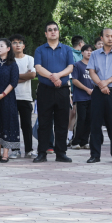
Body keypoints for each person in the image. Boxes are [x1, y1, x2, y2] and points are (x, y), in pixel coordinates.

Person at [33, 21, 75, 163]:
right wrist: (53, 77)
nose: (52, 32)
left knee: (62, 123)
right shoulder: (40, 50)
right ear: (46, 34)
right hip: (45, 91)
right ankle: (42, 152)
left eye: (55, 29)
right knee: (44, 123)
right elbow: (38, 68)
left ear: (58, 32)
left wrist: (58, 76)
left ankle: (61, 153)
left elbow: (70, 67)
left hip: (62, 91)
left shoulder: (67, 49)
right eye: (50, 30)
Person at [88, 28, 112, 164]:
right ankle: (95, 155)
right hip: (98, 92)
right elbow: (92, 71)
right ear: (102, 38)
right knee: (95, 124)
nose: (110, 38)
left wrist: (107, 82)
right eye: (107, 36)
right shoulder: (94, 54)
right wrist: (101, 85)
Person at [10, 35, 36, 159]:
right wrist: (24, 76)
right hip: (11, 97)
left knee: (26, 125)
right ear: (10, 46)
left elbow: (32, 75)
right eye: (14, 42)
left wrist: (14, 77)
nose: (17, 45)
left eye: (20, 42)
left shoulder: (30, 59)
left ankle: (29, 150)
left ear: (24, 46)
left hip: (25, 97)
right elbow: (6, 77)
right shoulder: (9, 60)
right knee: (13, 125)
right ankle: (15, 150)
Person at [71, 45, 94, 151]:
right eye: (87, 51)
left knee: (89, 119)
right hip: (81, 97)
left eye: (91, 51)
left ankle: (85, 141)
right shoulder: (77, 65)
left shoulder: (93, 66)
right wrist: (87, 89)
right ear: (82, 52)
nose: (89, 52)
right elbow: (74, 80)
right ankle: (75, 141)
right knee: (81, 119)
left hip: (92, 98)